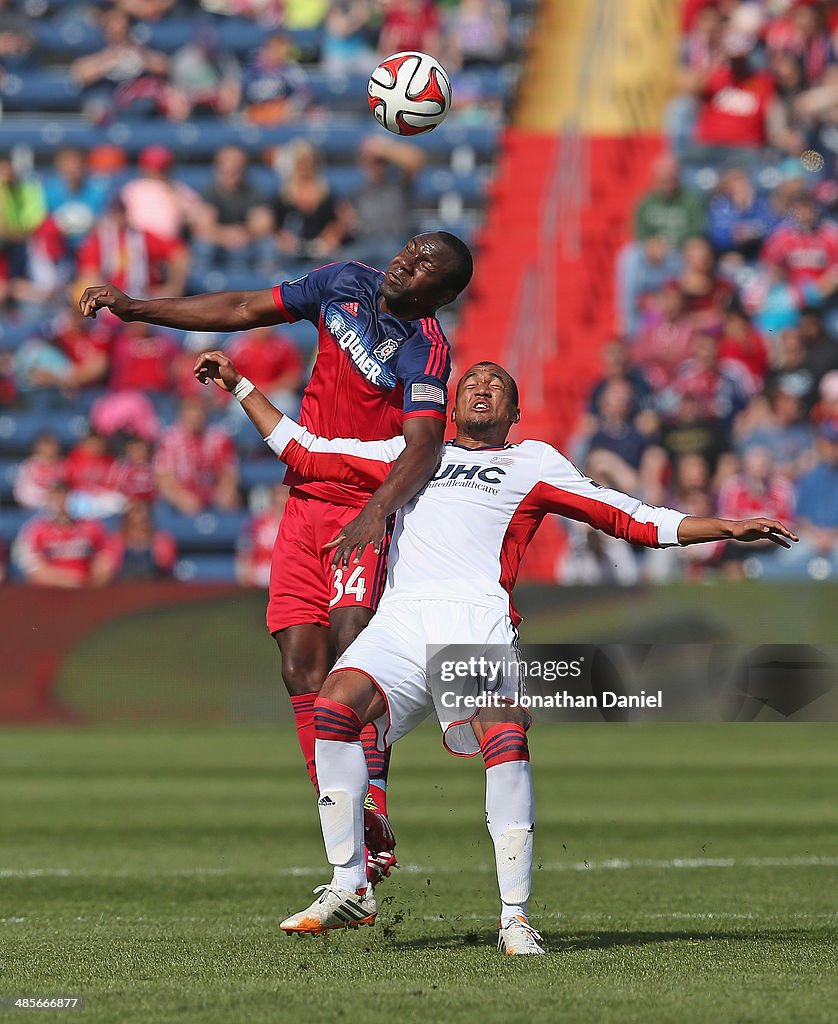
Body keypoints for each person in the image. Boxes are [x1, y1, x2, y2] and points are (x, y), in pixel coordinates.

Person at [193, 351, 798, 952]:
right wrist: (241, 384)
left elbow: (629, 518)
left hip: (475, 624)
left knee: (505, 740)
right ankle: (350, 884)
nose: (481, 386)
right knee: (333, 710)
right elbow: (305, 450)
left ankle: (514, 918)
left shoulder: (533, 462)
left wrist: (721, 526)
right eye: (472, 381)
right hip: (401, 622)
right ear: (451, 405)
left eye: (496, 383)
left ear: (515, 410)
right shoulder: (414, 458)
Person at [79, 232, 472, 882]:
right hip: (303, 497)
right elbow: (240, 308)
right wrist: (137, 308)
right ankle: (349, 819)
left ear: (444, 292)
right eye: (413, 248)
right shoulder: (345, 281)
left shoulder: (425, 346)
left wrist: (377, 511)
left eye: (428, 262)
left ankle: (372, 809)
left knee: (352, 658)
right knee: (299, 669)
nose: (409, 258)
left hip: (364, 507)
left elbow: (425, 446)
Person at [14, 480, 114, 587]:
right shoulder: (35, 530)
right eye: (57, 496)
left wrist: (96, 576)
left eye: (66, 496)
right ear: (49, 500)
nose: (62, 502)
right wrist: (67, 582)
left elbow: (106, 559)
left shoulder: (92, 527)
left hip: (87, 591)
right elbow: (33, 569)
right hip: (50, 593)